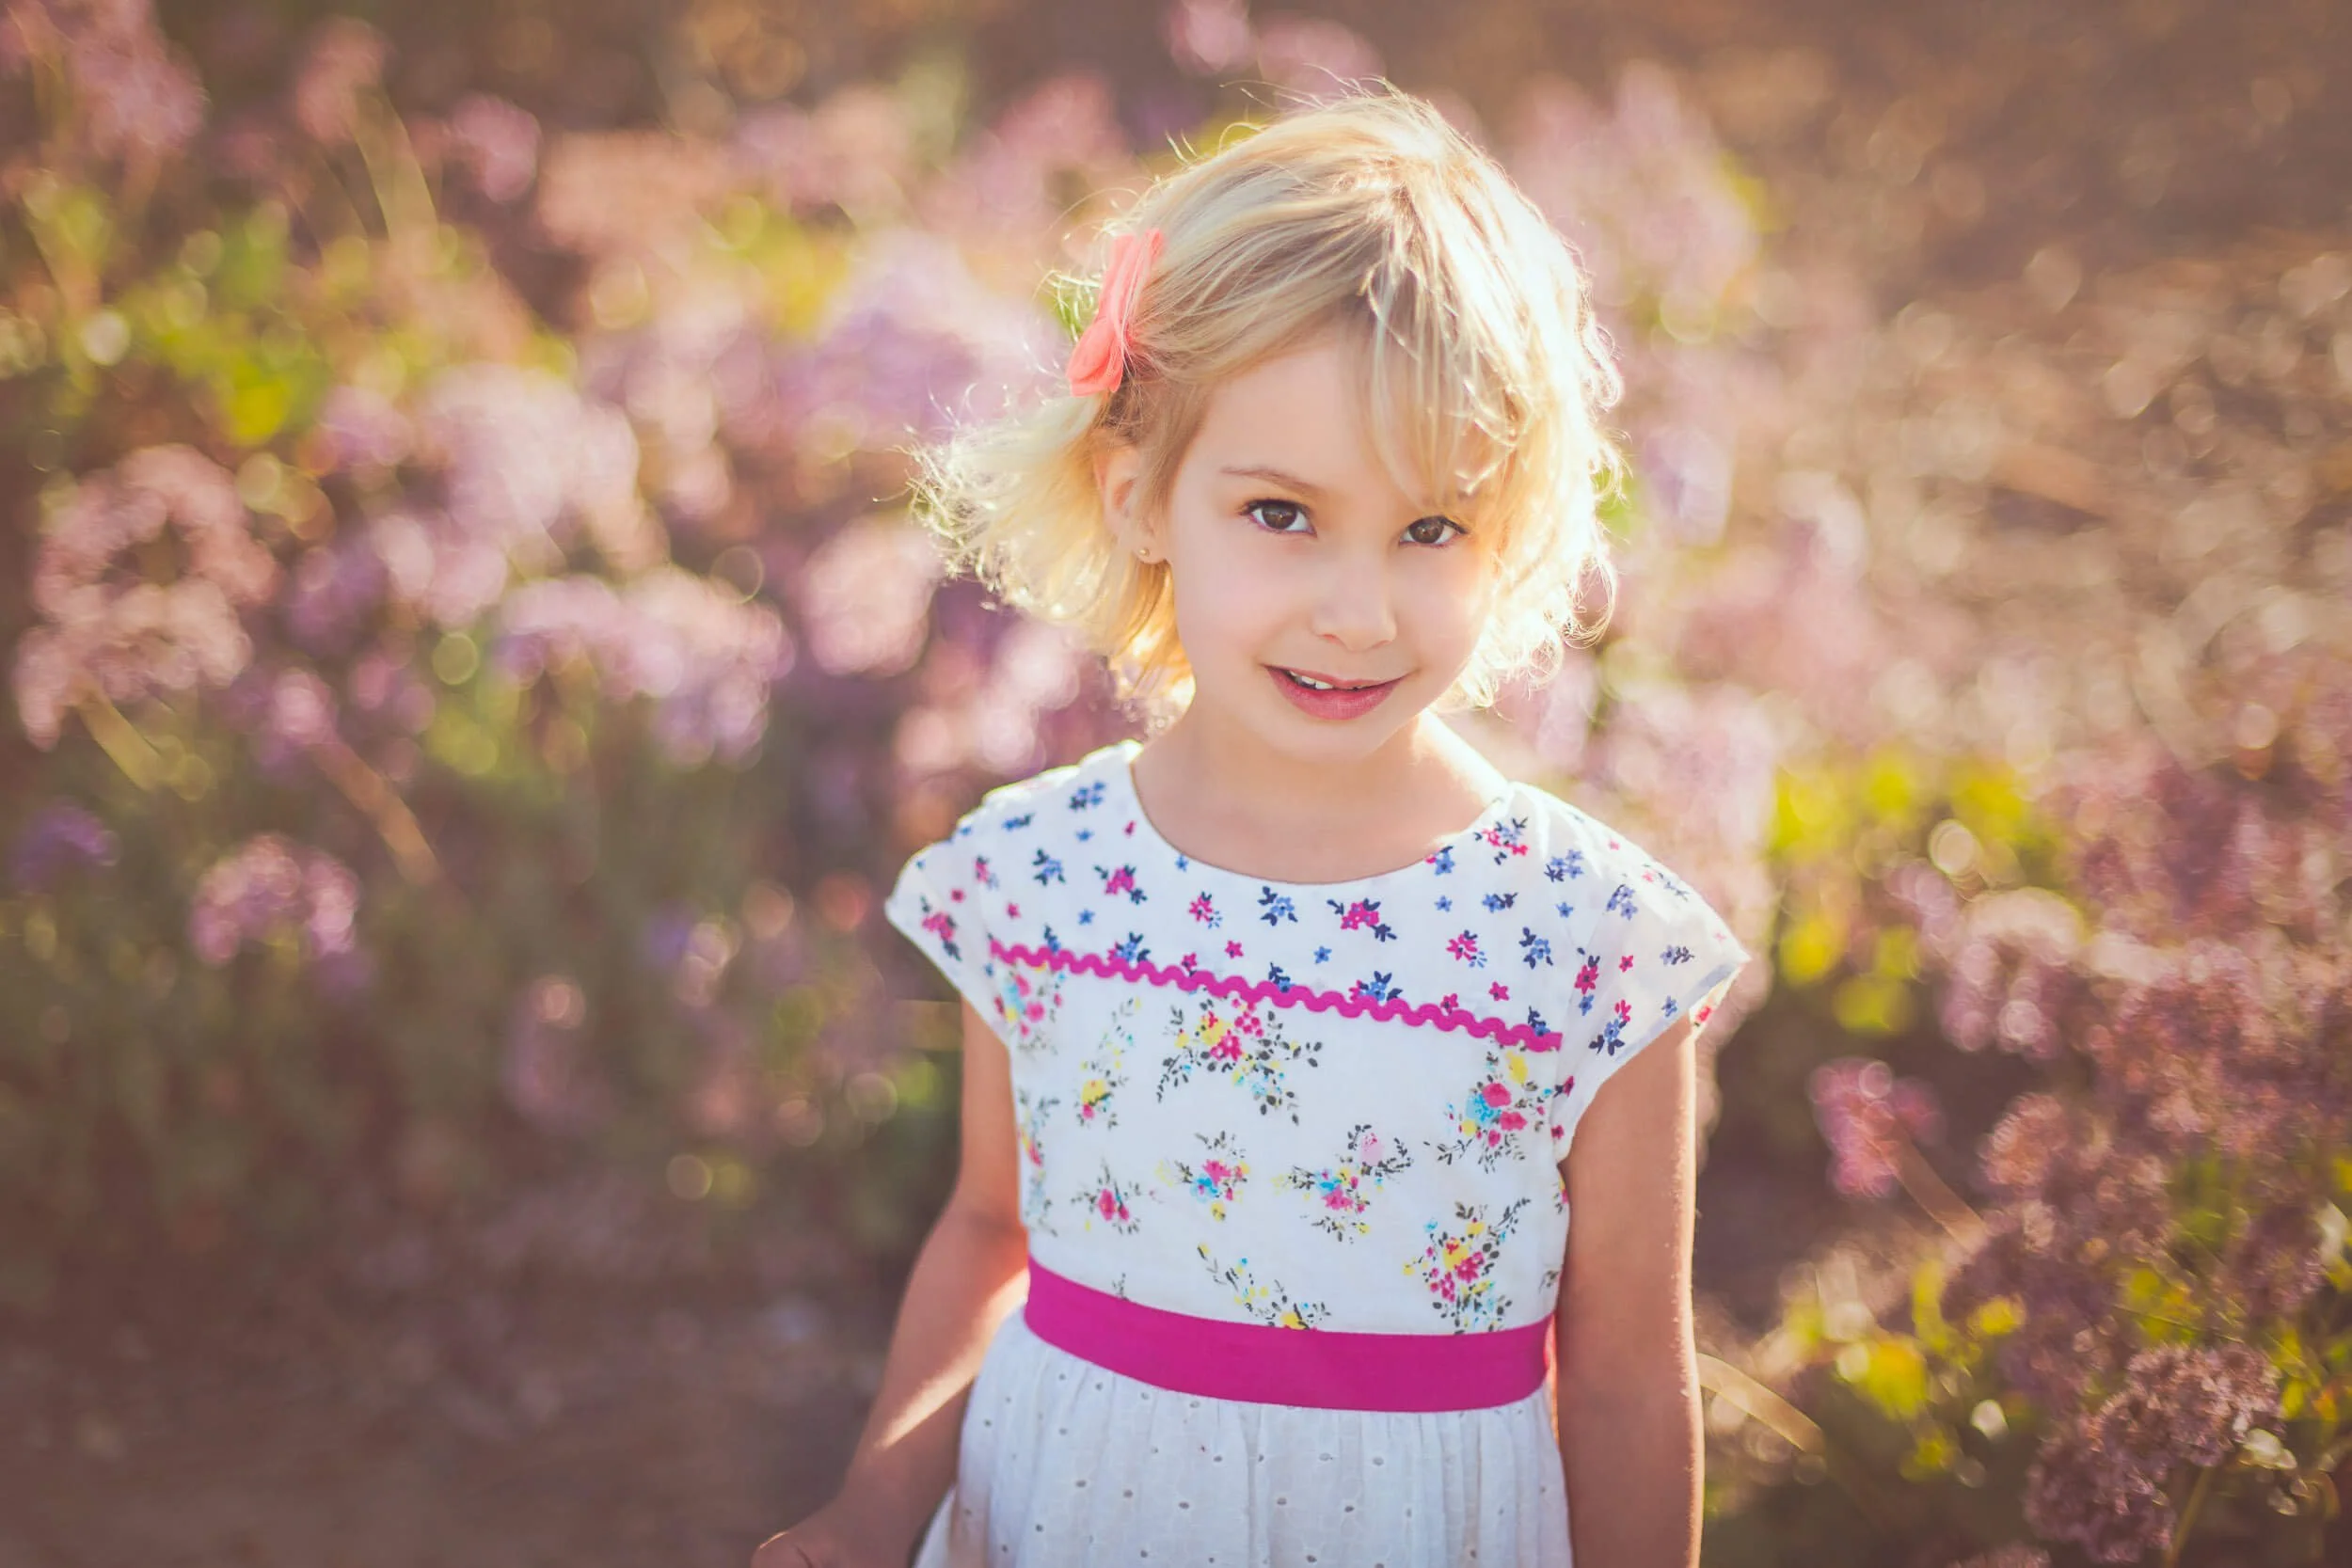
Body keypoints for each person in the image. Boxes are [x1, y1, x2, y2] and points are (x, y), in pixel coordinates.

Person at [754, 87, 1751, 1568]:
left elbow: (1623, 1382)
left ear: (1516, 533)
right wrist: (872, 1508)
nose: (1356, 609)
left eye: (1430, 529)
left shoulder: (1589, 940)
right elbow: (988, 1235)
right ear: (1141, 492)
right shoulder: (1040, 880)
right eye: (1282, 513)